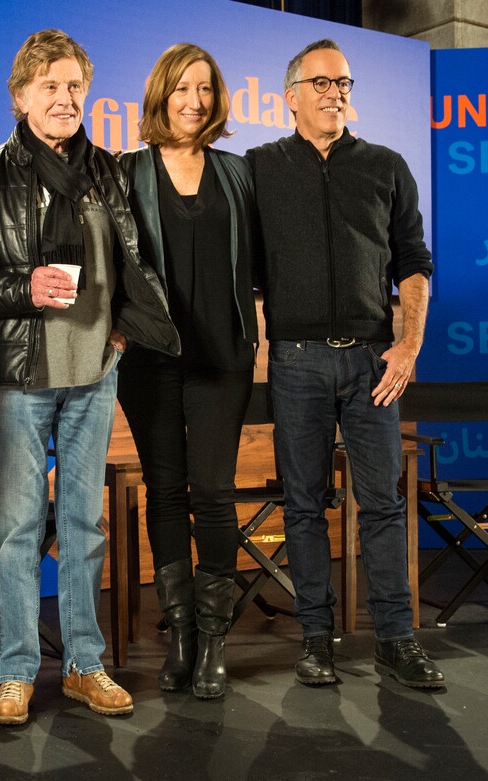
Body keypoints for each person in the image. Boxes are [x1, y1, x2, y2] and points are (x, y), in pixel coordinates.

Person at [0, 29, 179, 725]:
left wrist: (120, 333)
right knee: (21, 526)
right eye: (49, 85)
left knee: (83, 522)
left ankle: (84, 664)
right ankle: (17, 671)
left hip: (95, 371)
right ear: (20, 96)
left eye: (75, 85)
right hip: (22, 373)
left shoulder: (110, 171)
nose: (65, 98)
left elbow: (134, 262)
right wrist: (24, 286)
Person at [246, 39, 444, 688]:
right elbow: (240, 267)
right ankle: (316, 640)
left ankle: (396, 639)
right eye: (322, 82)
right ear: (291, 96)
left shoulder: (387, 166)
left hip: (373, 365)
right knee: (303, 506)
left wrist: (408, 346)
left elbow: (413, 262)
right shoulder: (259, 167)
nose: (336, 93)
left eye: (344, 83)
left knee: (382, 504)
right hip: (296, 363)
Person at [118, 44, 258, 699]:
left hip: (223, 358)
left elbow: (263, 261)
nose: (194, 101)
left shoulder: (238, 173)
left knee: (214, 492)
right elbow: (105, 259)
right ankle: (181, 637)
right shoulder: (126, 171)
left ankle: (215, 642)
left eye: (204, 89)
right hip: (149, 359)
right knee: (165, 491)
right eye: (182, 88)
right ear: (161, 94)